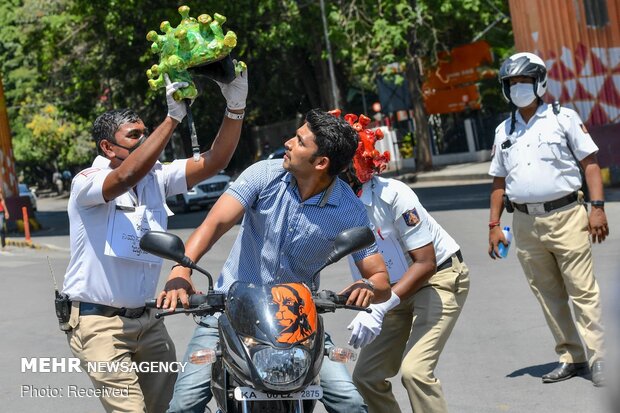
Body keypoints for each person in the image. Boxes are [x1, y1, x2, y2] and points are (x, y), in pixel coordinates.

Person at [159, 108, 392, 413]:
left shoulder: (349, 210)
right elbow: (214, 225)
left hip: (297, 321)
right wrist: (181, 270)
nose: (288, 143)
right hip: (227, 314)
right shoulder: (263, 175)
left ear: (320, 163)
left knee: (349, 403)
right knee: (184, 404)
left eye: (299, 140)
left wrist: (367, 286)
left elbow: (380, 279)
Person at [61, 68, 248, 413]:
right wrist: (172, 119)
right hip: (99, 324)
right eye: (135, 136)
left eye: (147, 134)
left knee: (170, 408)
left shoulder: (157, 176)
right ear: (107, 146)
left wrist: (235, 107)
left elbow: (215, 161)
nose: (147, 141)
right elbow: (124, 176)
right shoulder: (88, 181)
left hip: (148, 322)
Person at [488, 52, 608, 386]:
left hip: (567, 215)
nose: (517, 88)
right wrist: (494, 224)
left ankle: (599, 358)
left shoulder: (563, 118)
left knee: (583, 291)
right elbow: (498, 182)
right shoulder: (503, 130)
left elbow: (591, 164)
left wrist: (596, 207)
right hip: (525, 224)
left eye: (524, 80)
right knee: (547, 294)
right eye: (511, 83)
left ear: (540, 82)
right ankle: (572, 356)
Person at [340, 114, 469, 413]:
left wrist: (380, 308)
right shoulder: (336, 205)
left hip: (437, 279)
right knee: (366, 377)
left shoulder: (394, 195)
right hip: (391, 289)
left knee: (415, 373)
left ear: (356, 165)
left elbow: (425, 264)